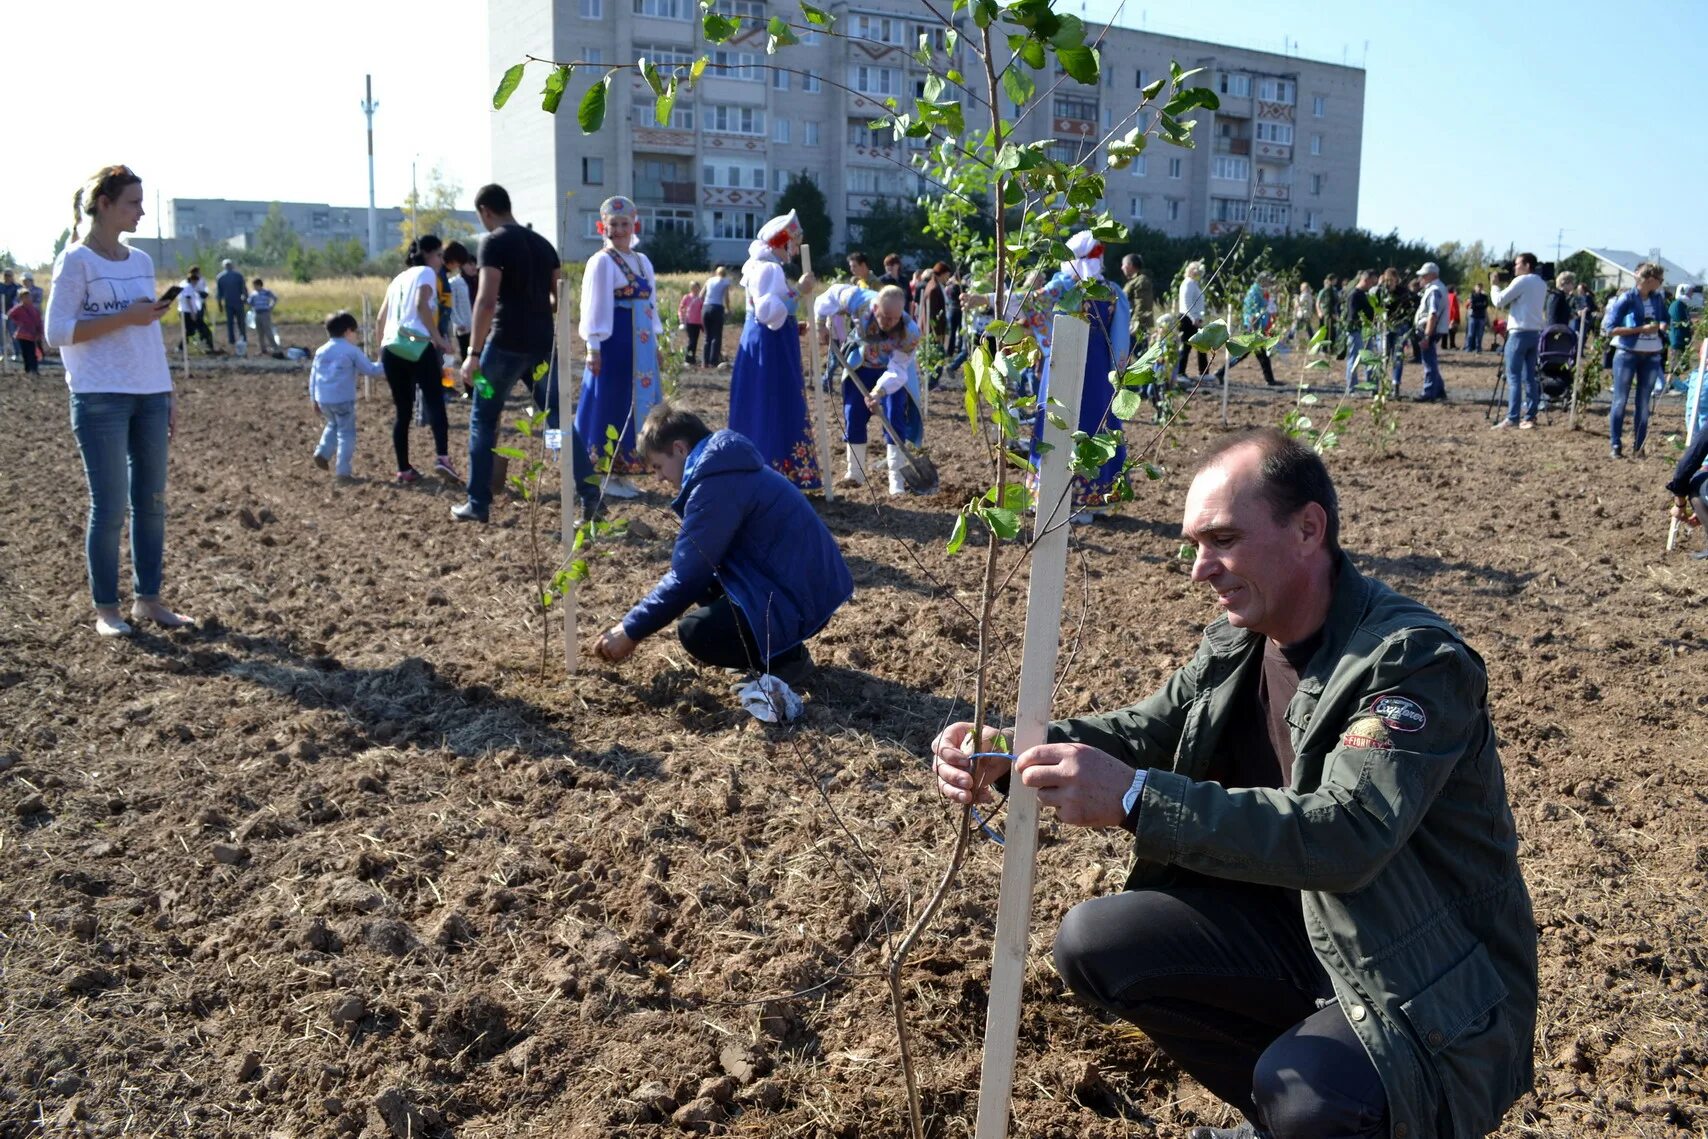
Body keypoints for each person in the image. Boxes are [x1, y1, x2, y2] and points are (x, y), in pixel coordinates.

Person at [931, 428, 1538, 1139]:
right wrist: (1011, 751)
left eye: (1221, 538)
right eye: (1193, 542)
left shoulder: (1412, 663)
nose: (1199, 568)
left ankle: (1352, 1115)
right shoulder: (1243, 637)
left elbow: (1346, 834)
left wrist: (1134, 798)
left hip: (1425, 980)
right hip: (1301, 933)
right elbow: (1145, 730)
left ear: (1309, 528)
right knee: (1097, 943)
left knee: (1316, 1096)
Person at [593, 403, 852, 682]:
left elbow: (686, 576)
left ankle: (783, 660)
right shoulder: (724, 467)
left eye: (658, 466)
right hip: (805, 587)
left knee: (698, 632)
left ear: (680, 449)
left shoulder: (715, 484)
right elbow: (696, 566)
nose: (659, 478)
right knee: (706, 578)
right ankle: (775, 649)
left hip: (800, 598)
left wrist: (630, 631)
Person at [45, 164, 194, 636]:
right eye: (132, 202)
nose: (141, 211)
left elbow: (147, 334)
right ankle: (107, 610)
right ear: (104, 205)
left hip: (148, 392)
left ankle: (148, 600)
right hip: (99, 395)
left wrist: (167, 391)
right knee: (108, 507)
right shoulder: (76, 261)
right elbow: (55, 333)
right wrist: (125, 317)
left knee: (151, 501)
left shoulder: (140, 261)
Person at [458, 182, 579, 522]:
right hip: (541, 344)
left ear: (485, 211)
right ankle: (587, 493)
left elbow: (484, 301)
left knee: (483, 416)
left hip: (503, 346)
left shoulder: (493, 242)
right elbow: (558, 299)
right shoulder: (543, 244)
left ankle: (477, 503)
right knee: (558, 417)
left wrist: (473, 353)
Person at [1024, 231, 1132, 518]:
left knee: (1066, 421)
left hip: (1065, 363)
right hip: (1097, 370)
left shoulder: (1062, 288)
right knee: (1092, 423)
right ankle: (1090, 499)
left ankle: (1060, 497)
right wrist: (1118, 372)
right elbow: (1120, 339)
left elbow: (1030, 307)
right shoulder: (1111, 292)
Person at [573, 195, 662, 501]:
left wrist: (656, 340)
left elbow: (651, 304)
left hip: (641, 343)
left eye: (625, 223)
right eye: (615, 224)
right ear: (605, 226)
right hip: (614, 342)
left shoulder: (642, 260)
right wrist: (593, 347)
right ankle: (601, 470)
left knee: (635, 403)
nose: (621, 229)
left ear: (633, 224)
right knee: (610, 401)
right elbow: (594, 306)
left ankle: (625, 469)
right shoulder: (602, 261)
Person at [728, 209, 822, 490]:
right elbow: (767, 311)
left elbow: (772, 312)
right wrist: (799, 292)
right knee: (772, 401)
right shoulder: (769, 268)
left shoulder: (761, 266)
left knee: (762, 400)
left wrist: (793, 324)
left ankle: (766, 470)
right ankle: (777, 473)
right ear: (784, 242)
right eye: (793, 243)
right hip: (770, 349)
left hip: (766, 342)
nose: (794, 250)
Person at [815, 282, 922, 492]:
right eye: (885, 317)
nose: (890, 323)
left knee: (894, 417)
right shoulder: (857, 300)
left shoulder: (910, 332)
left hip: (892, 371)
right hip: (861, 364)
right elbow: (829, 297)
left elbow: (898, 369)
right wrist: (820, 323)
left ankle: (896, 479)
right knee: (853, 414)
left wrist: (878, 392)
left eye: (895, 318)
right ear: (875, 309)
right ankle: (855, 473)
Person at [374, 235, 458, 484]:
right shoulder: (426, 273)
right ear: (429, 254)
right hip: (417, 345)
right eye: (440, 255)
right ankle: (442, 457)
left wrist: (381, 351)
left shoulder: (397, 279)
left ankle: (404, 469)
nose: (442, 261)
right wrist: (439, 339)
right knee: (435, 401)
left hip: (392, 347)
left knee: (403, 412)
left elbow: (380, 319)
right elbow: (422, 305)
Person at [1603, 261, 1669, 459]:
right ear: (1650, 280)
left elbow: (1665, 318)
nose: (1661, 284)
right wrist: (1641, 330)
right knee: (1620, 399)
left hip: (1652, 353)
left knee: (1643, 402)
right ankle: (1616, 444)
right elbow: (1610, 329)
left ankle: (1639, 446)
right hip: (1627, 352)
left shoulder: (1658, 299)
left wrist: (1662, 326)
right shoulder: (1627, 298)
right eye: (1660, 280)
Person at [309, 310, 384, 480]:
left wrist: (313, 398)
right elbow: (370, 370)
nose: (356, 336)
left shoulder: (321, 351)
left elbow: (313, 376)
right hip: (343, 399)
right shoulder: (352, 351)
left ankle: (322, 451)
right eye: (355, 332)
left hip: (323, 398)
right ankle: (343, 471)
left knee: (332, 425)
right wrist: (386, 364)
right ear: (348, 331)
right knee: (346, 433)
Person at [1490, 253, 1545, 429]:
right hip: (1534, 333)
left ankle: (1512, 417)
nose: (1515, 268)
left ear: (1527, 265)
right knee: (1529, 377)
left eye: (1517, 264)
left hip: (1518, 333)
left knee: (1513, 377)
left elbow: (1499, 301)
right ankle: (1530, 416)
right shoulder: (1541, 283)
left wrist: (1494, 286)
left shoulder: (1522, 281)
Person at [1412, 262, 1450, 402]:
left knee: (1429, 362)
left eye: (1424, 275)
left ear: (1431, 275)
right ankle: (1439, 390)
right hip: (1432, 329)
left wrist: (1427, 336)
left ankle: (1429, 392)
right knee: (1430, 360)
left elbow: (1432, 314)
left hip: (1429, 329)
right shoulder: (1437, 288)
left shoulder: (1434, 290)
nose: (1421, 278)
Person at [1238, 273, 1279, 386]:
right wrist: (1254, 328)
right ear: (1262, 281)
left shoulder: (1259, 292)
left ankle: (1270, 379)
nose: (1269, 284)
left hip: (1256, 327)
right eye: (1267, 282)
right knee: (1255, 354)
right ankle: (1270, 380)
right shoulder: (1254, 293)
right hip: (1253, 327)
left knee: (1251, 354)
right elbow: (1251, 312)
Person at [1342, 268, 1376, 393]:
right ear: (1365, 280)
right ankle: (1351, 388)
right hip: (1355, 332)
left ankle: (1372, 386)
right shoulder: (1354, 295)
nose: (1373, 285)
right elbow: (1352, 316)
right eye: (1372, 282)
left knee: (1370, 359)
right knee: (1354, 360)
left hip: (1366, 331)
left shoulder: (1364, 294)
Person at [1176, 260, 1210, 378]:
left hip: (1195, 319)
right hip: (1187, 319)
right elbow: (1187, 304)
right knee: (1186, 347)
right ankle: (1180, 373)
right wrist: (1193, 318)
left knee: (1201, 345)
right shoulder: (1188, 283)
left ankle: (1204, 372)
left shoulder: (1194, 284)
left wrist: (1199, 318)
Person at [443, 241, 474, 361]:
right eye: (469, 264)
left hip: (476, 327)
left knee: (477, 359)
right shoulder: (453, 283)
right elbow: (451, 306)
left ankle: (476, 380)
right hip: (462, 327)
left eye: (473, 264)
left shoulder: (477, 282)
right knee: (467, 358)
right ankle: (469, 380)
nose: (472, 267)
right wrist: (458, 322)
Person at [177, 266, 217, 354]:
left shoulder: (188, 285)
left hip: (188, 312)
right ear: (193, 280)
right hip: (188, 312)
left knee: (191, 331)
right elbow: (188, 299)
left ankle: (181, 348)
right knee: (201, 330)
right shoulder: (188, 287)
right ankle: (209, 347)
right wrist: (193, 313)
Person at [7, 286, 45, 374]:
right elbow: (9, 315)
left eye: (28, 297)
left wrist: (40, 332)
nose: (27, 299)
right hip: (22, 335)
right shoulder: (18, 308)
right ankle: (28, 369)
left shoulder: (34, 309)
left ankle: (34, 369)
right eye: (24, 297)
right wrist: (18, 322)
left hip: (33, 335)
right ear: (21, 298)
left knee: (33, 353)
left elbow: (39, 321)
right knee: (25, 353)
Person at [1122, 253, 1156, 351]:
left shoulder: (1141, 281)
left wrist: (1134, 324)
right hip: (1133, 324)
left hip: (1136, 326)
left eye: (1123, 265)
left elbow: (1142, 306)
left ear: (1130, 265)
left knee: (1140, 356)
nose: (1122, 268)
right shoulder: (1135, 281)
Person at [701, 265, 731, 367]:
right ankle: (713, 361)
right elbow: (726, 297)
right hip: (717, 308)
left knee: (707, 336)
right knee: (716, 336)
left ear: (716, 272)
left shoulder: (709, 280)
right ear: (724, 273)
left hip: (706, 307)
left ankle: (704, 361)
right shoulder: (725, 281)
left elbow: (701, 295)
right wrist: (728, 309)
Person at [214, 258, 246, 353]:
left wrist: (219, 305)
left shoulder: (220, 277)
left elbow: (219, 293)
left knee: (230, 323)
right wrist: (245, 299)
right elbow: (243, 289)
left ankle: (232, 340)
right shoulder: (238, 275)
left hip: (228, 303)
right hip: (238, 302)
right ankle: (243, 337)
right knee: (241, 322)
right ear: (232, 265)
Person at [1667, 284, 1695, 380]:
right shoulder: (1677, 305)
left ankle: (1676, 385)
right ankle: (1670, 386)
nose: (1691, 295)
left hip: (1683, 340)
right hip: (1678, 339)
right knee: (1675, 366)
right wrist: (1690, 326)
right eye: (1690, 292)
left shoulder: (1682, 305)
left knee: (1682, 365)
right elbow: (1680, 322)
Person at [248, 278, 280, 357]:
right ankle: (263, 349)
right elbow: (250, 302)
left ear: (259, 285)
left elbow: (275, 298)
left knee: (268, 331)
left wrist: (271, 306)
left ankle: (275, 348)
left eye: (255, 285)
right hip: (257, 314)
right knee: (260, 333)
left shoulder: (266, 292)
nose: (254, 287)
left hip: (265, 313)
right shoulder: (253, 294)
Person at [679, 280, 704, 364]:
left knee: (695, 340)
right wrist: (681, 319)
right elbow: (681, 308)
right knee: (692, 340)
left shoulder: (701, 299)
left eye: (697, 287)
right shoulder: (687, 297)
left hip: (698, 322)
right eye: (693, 287)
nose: (695, 289)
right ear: (691, 288)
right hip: (689, 321)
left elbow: (702, 310)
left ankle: (692, 357)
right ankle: (688, 357)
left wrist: (703, 324)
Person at [1314, 274, 1340, 354]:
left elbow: (1336, 302)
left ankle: (1331, 349)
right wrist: (1319, 312)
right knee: (1325, 331)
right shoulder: (1324, 291)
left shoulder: (1335, 290)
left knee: (1333, 331)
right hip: (1325, 313)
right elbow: (1318, 302)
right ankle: (1323, 349)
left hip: (1333, 313)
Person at [1465, 282, 1490, 352]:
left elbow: (1485, 305)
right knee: (1470, 333)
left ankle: (1478, 348)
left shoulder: (1484, 296)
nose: (1479, 289)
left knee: (1480, 334)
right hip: (1473, 316)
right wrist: (1479, 305)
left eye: (1480, 287)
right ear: (1475, 288)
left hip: (1481, 317)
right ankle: (1468, 348)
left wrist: (1478, 305)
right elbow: (1473, 305)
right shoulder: (1472, 296)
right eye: (1478, 287)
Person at [0, 268, 17, 361]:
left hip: (12, 314)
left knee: (13, 333)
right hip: (0, 313)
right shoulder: (0, 286)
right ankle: (2, 353)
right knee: (1, 335)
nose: (7, 277)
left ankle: (16, 354)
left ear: (12, 276)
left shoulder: (16, 287)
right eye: (5, 275)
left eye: (9, 275)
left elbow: (17, 300)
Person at [1292, 279, 1315, 346]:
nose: (1300, 288)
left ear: (1304, 288)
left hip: (1303, 314)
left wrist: (1296, 298)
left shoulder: (1305, 295)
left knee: (1296, 327)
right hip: (1307, 314)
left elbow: (1299, 304)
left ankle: (1290, 339)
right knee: (1308, 328)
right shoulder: (1309, 294)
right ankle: (1312, 340)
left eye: (1301, 287)